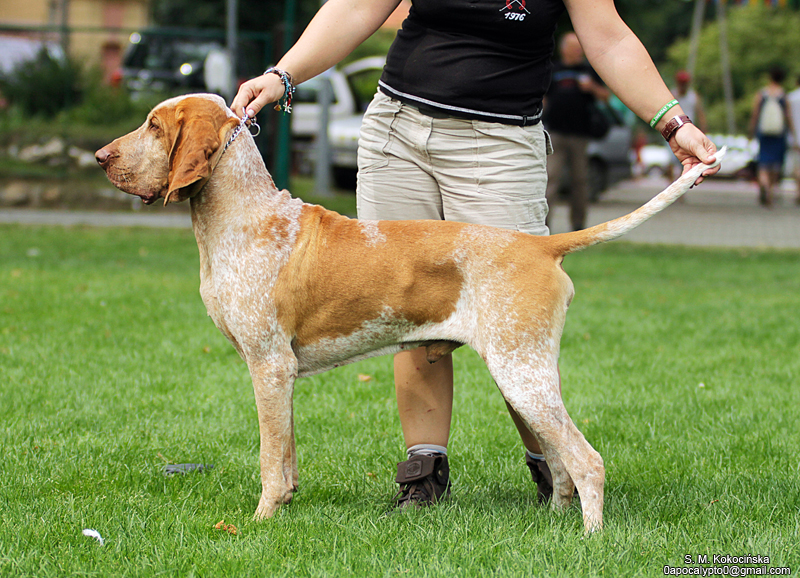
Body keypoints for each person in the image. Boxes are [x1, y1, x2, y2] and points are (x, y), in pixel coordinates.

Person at [232, 0, 719, 509]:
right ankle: (423, 475)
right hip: (397, 131)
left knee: (512, 322)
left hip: (501, 142)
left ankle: (556, 470)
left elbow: (609, 39)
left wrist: (673, 124)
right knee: (403, 310)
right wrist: (283, 74)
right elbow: (358, 6)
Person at [543, 32, 610, 232]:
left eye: (579, 48)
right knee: (550, 179)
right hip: (555, 133)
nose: (577, 51)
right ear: (564, 49)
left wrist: (592, 88)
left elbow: (606, 97)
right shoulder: (554, 69)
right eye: (573, 47)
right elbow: (544, 98)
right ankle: (544, 224)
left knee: (580, 181)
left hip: (580, 134)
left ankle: (578, 225)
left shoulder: (588, 70)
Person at [749, 66, 795, 207]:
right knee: (775, 164)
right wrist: (792, 133)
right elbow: (788, 116)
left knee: (763, 163)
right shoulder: (783, 95)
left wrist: (751, 130)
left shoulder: (762, 93)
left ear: (770, 77)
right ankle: (770, 191)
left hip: (764, 133)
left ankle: (764, 184)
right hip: (778, 133)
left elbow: (755, 114)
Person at [663, 70, 707, 182]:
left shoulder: (693, 97)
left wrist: (703, 130)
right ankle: (670, 183)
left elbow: (700, 114)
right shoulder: (671, 95)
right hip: (672, 131)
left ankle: (681, 187)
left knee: (685, 162)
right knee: (671, 161)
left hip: (688, 131)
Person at [786, 75, 800, 205]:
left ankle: (798, 191)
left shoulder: (791, 97)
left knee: (797, 167)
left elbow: (788, 119)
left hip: (795, 137)